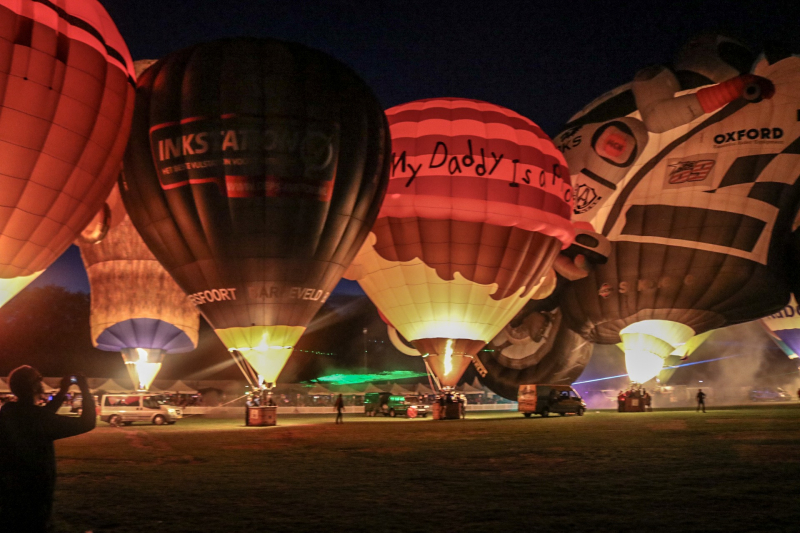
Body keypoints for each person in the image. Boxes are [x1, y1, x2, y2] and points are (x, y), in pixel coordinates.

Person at [0, 366, 95, 531]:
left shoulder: (9, 412)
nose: (42, 382)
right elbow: (87, 422)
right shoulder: (38, 419)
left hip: (9, 488)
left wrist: (64, 390)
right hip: (34, 490)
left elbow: (43, 414)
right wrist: (85, 389)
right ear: (34, 386)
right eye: (39, 378)